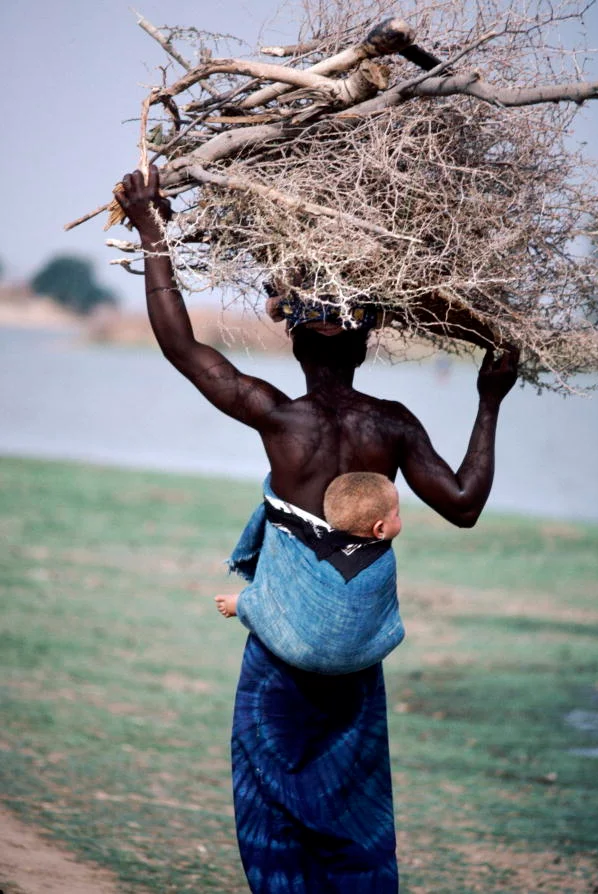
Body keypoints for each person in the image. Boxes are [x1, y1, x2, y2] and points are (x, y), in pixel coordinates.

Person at [116, 167, 519, 894]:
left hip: (278, 659)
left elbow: (181, 348)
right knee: (350, 809)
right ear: (364, 349)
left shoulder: (279, 419)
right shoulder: (392, 425)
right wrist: (489, 400)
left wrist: (153, 228)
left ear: (297, 346)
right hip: (354, 669)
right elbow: (463, 503)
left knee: (271, 801)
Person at [214, 473, 405, 675]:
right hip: (363, 657)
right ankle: (244, 603)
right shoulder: (383, 559)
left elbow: (287, 593)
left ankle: (243, 603)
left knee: (280, 597)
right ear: (380, 529)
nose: (400, 518)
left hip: (297, 650)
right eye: (397, 514)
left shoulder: (313, 550)